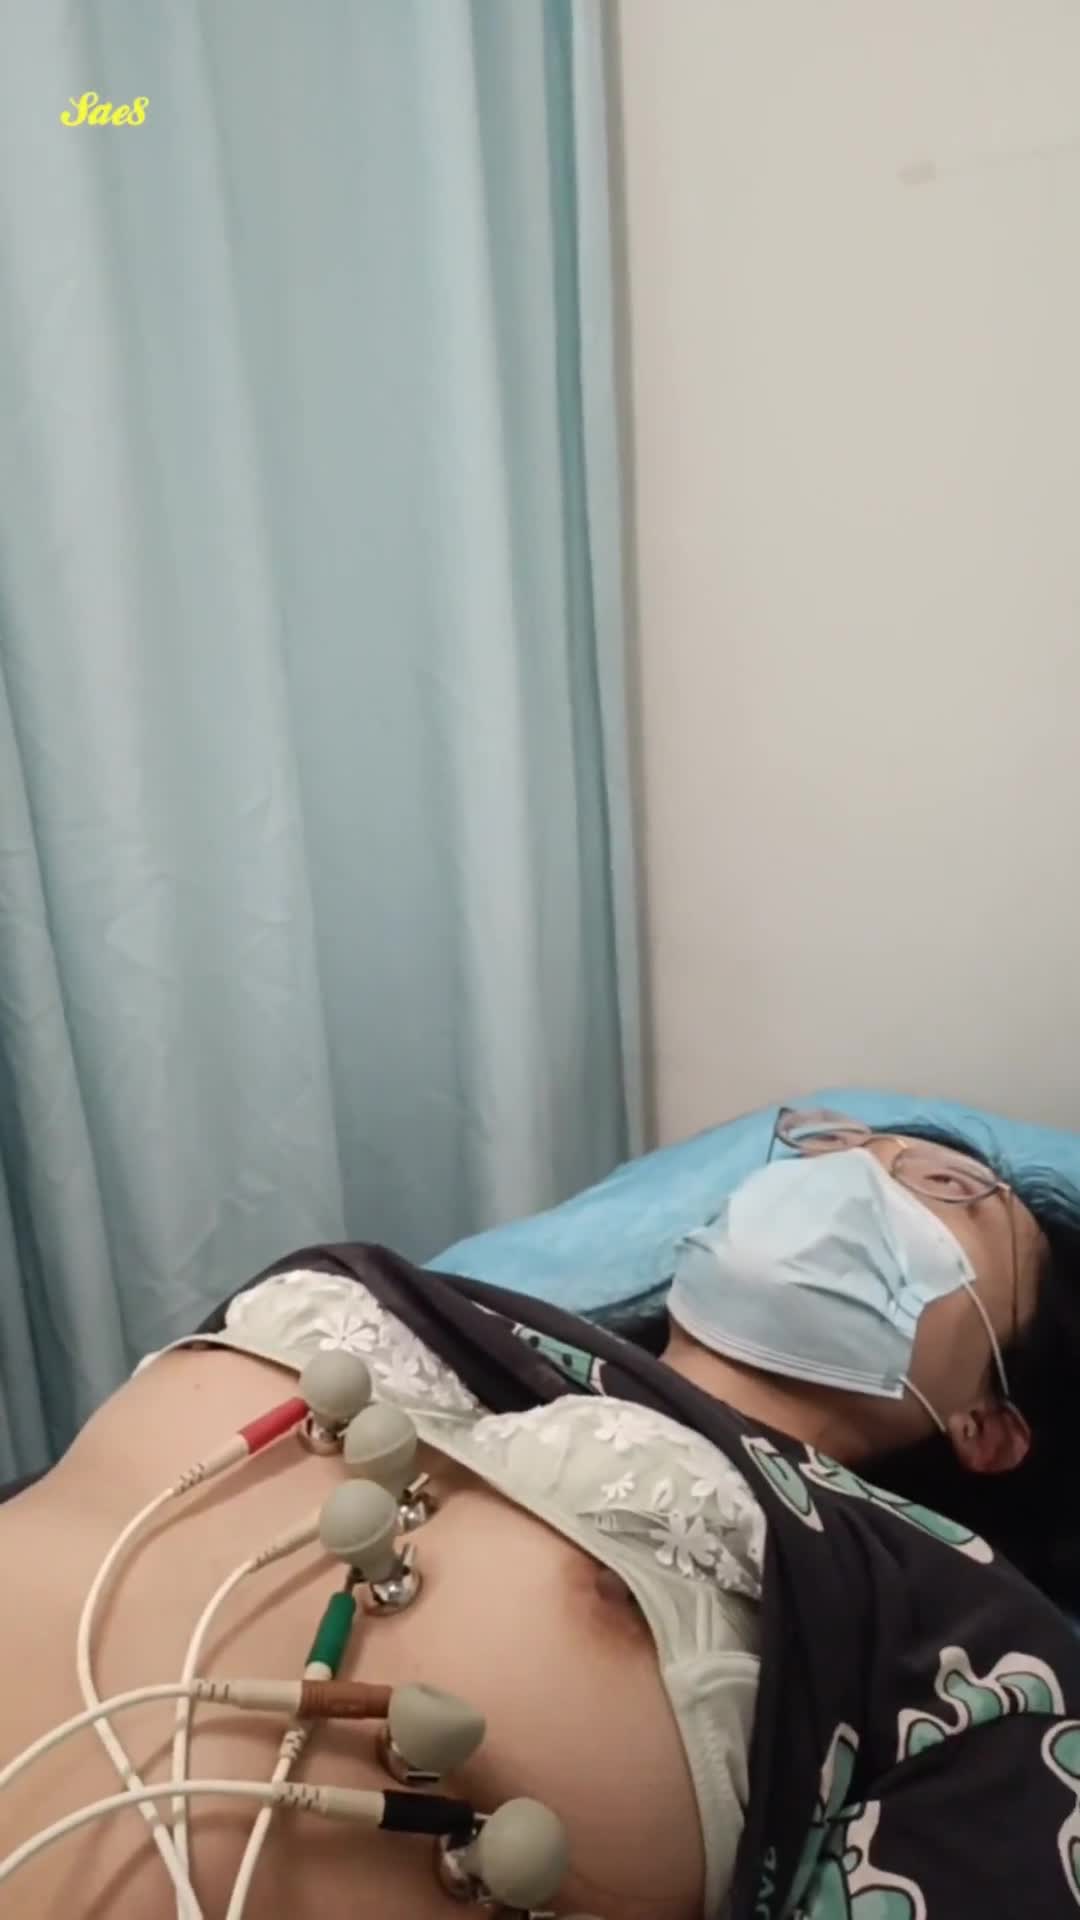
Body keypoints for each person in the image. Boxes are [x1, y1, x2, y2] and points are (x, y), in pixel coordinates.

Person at [2, 1107, 1080, 1920]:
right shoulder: (401, 1298)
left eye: (946, 1188)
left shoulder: (968, 1637)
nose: (850, 1178)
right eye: (829, 1147)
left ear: (988, 1425)